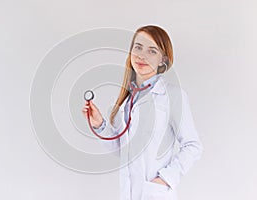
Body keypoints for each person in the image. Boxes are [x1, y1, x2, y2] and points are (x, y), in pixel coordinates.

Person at [82, 25, 203, 200]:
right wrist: (100, 125)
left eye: (152, 51)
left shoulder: (173, 96)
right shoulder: (127, 100)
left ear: (163, 60)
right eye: (138, 47)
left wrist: (164, 180)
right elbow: (124, 150)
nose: (141, 55)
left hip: (155, 193)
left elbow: (193, 146)